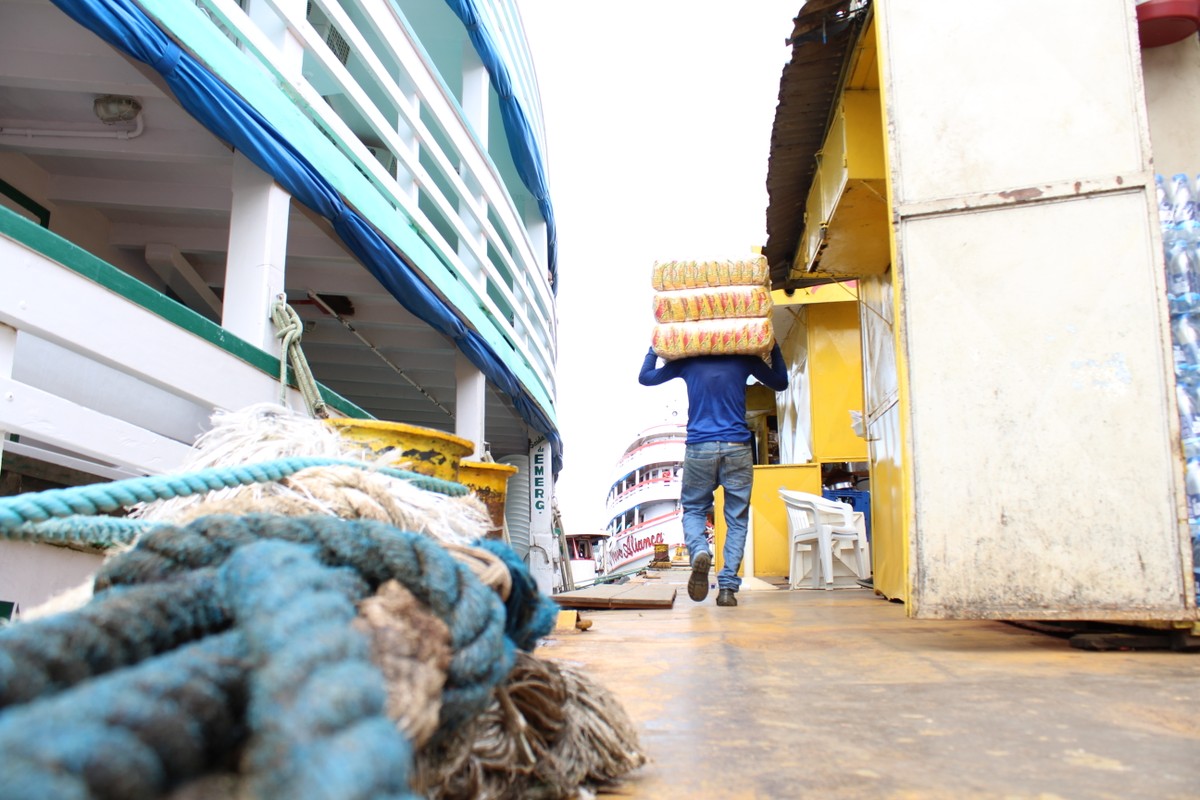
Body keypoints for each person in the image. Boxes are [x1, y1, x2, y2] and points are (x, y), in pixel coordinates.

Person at [638, 341, 789, 607]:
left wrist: (655, 347)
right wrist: (774, 347)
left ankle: (699, 551)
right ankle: (728, 588)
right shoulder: (744, 361)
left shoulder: (688, 363)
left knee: (695, 509)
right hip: (738, 448)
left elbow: (646, 378)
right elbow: (780, 382)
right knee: (737, 520)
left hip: (699, 448)